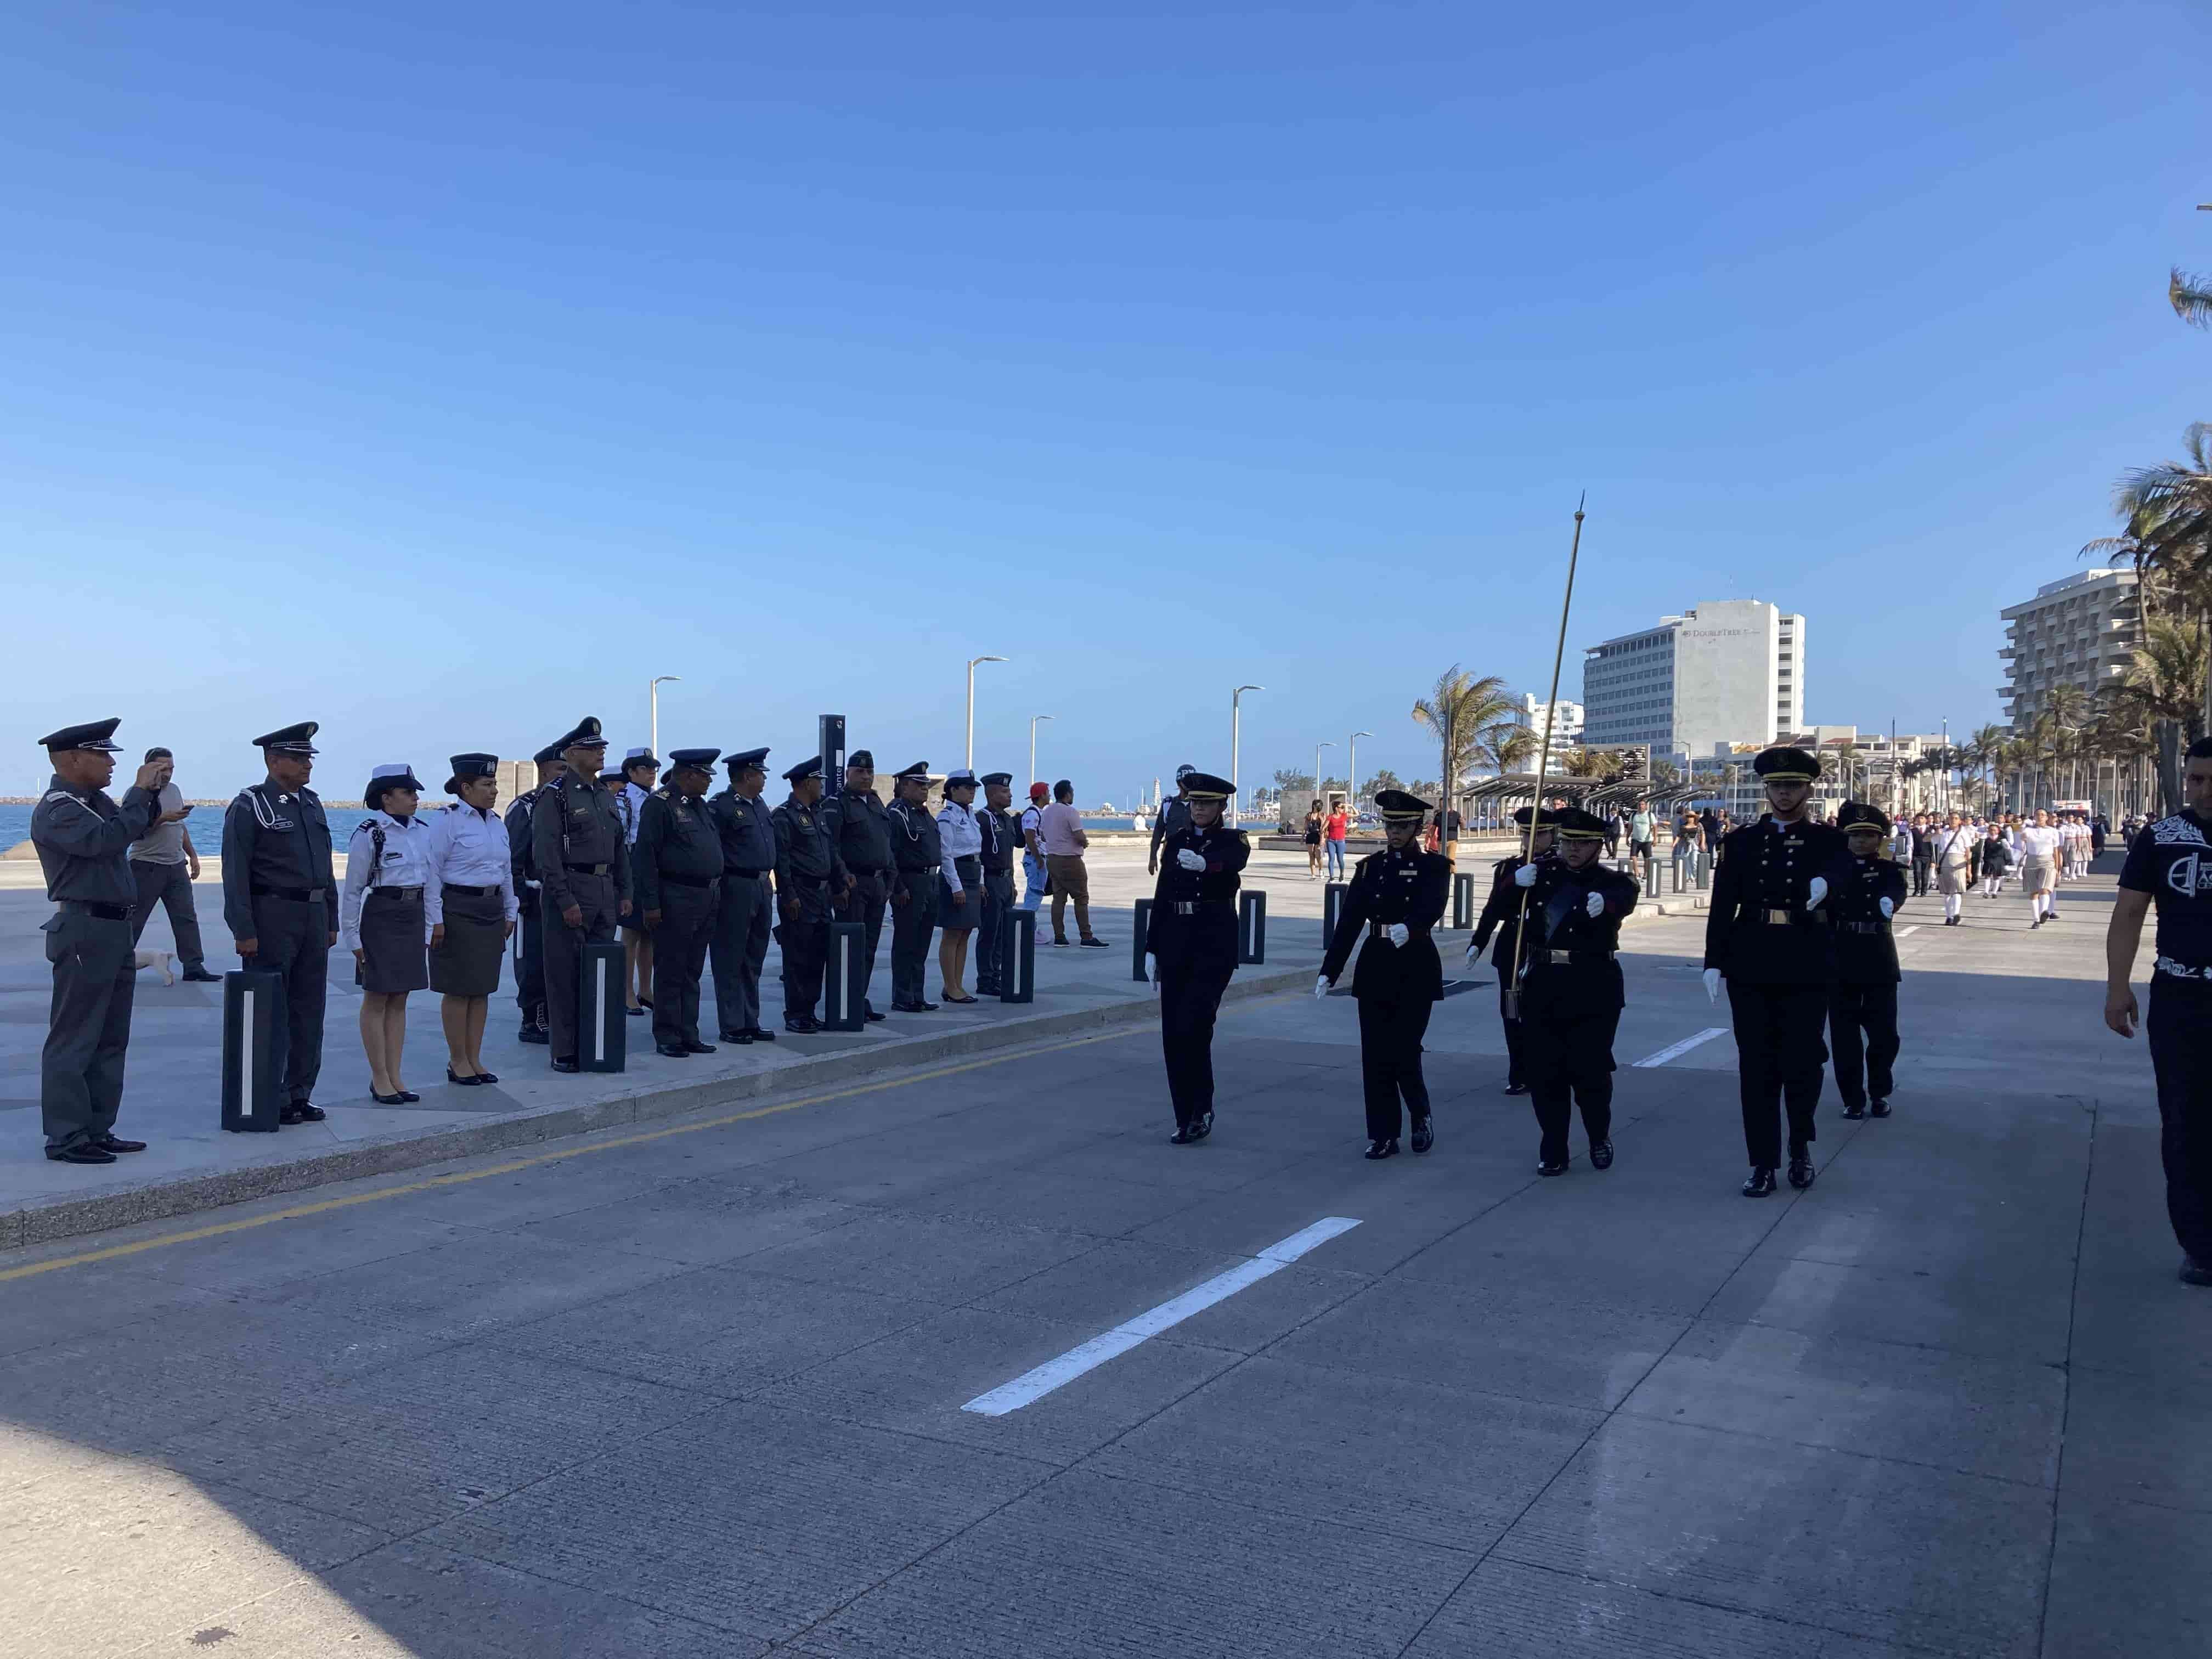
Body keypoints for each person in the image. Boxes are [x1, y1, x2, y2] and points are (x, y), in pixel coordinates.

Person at [1703, 745, 1852, 1196]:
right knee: (1757, 1066)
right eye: (1777, 786)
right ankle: (1762, 1162)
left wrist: (1829, 885)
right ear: (1766, 789)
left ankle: (1800, 1147)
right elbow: (1722, 904)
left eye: (1793, 786)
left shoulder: (1829, 841)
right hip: (1751, 958)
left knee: (1803, 1062)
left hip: (1806, 958)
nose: (1784, 794)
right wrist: (1713, 960)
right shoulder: (1741, 841)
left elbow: (1843, 879)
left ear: (1809, 789)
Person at [31, 720, 172, 1164]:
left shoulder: (94, 802)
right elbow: (105, 840)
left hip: (112, 929)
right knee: (74, 1038)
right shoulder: (60, 807)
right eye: (103, 755)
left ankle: (97, 1127)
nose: (113, 763)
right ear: (73, 759)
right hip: (84, 930)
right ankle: (67, 1136)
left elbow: (132, 830)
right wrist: (137, 794)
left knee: (111, 1037)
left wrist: (149, 794)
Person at [2105, 737, 2212, 1285]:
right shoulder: (2162, 838)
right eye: (2195, 779)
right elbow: (2129, 914)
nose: (2202, 790)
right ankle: (2200, 1243)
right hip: (2181, 997)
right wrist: (2118, 986)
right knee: (2186, 1122)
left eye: (2210, 780)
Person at [1317, 789, 1451, 1158]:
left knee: (1404, 1051)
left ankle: (1420, 1115)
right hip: (1376, 963)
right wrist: (1330, 970)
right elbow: (1348, 923)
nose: (1395, 831)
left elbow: (1434, 903)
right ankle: (1383, 1134)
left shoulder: (1434, 867)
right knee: (1375, 1055)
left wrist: (1413, 925)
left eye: (1403, 825)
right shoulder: (1370, 868)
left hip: (1415, 964)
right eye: (1390, 824)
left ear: (1418, 827)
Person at [1507, 806, 1640, 1176]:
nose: (1573, 850)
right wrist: (1513, 884)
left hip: (1593, 986)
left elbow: (1626, 898)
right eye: (1568, 842)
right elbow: (1503, 911)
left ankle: (1598, 1134)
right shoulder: (1540, 876)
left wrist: (1607, 905)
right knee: (1545, 1072)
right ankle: (1554, 1146)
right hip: (1544, 983)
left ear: (1599, 845)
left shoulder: (1613, 881)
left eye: (1583, 844)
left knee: (1591, 1073)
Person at [222, 721, 337, 1122]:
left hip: (312, 914)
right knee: (272, 1009)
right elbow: (235, 872)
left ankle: (300, 1091)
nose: (308, 765)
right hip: (273, 916)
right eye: (299, 758)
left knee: (309, 1008)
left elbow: (323, 865)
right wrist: (244, 929)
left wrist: (331, 919)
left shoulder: (311, 803)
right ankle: (269, 1092)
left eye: (308, 758)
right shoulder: (251, 805)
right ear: (273, 761)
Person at [1146, 771, 1250, 1143]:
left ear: (1222, 806)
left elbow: (1234, 864)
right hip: (1176, 941)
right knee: (1173, 1033)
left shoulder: (1232, 840)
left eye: (1207, 803)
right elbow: (1161, 897)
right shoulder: (1176, 842)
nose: (1200, 809)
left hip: (1212, 944)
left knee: (1195, 1026)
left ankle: (1202, 1108)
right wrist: (1151, 947)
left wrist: (1208, 866)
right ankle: (1184, 1115)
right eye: (1195, 803)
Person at [532, 718, 631, 1073]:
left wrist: (625, 891)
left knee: (600, 974)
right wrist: (565, 900)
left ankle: (594, 1044)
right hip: (573, 888)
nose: (601, 753)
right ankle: (565, 1049)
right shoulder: (555, 795)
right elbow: (547, 855)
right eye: (593, 748)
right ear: (574, 753)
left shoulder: (605, 794)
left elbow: (620, 848)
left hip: (604, 891)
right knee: (565, 973)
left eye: (602, 747)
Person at [340, 764, 434, 1104]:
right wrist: (353, 938)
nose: (416, 799)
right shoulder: (371, 834)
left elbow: (431, 884)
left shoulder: (423, 831)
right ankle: (379, 1077)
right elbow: (352, 891)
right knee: (378, 997)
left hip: (412, 915)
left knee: (400, 998)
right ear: (387, 798)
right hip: (381, 915)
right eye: (409, 793)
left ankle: (396, 1075)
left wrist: (431, 924)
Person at [425, 753, 517, 1086]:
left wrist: (511, 910)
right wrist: (435, 919)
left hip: (491, 910)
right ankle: (457, 1059)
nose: (495, 790)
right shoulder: (447, 822)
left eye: (494, 783)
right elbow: (432, 872)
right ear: (466, 787)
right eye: (487, 784)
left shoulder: (497, 823)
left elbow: (506, 872)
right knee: (458, 988)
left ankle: (475, 1058)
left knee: (481, 989)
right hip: (458, 908)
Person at [636, 748, 723, 1058]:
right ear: (688, 775)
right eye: (704, 776)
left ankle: (689, 1031)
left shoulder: (701, 807)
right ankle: (668, 1034)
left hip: (706, 897)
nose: (709, 782)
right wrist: (651, 904)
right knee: (671, 970)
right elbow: (645, 857)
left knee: (692, 971)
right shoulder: (659, 805)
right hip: (676, 897)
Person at [1468, 806, 1558, 1096]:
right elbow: (1493, 909)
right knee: (1511, 1012)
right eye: (1527, 834)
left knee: (1541, 1014)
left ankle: (1542, 1067)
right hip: (1512, 948)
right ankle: (1518, 1070)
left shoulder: (1560, 868)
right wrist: (1478, 943)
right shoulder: (1509, 868)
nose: (1532, 841)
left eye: (1540, 835)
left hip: (1544, 948)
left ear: (1552, 835)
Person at [1828, 803, 1908, 1121]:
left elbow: (1896, 892)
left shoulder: (1891, 871)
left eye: (1868, 835)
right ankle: (1852, 1098)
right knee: (1844, 1036)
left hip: (1878, 957)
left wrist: (1891, 902)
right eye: (1855, 835)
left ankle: (1879, 1092)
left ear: (1879, 839)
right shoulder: (1833, 871)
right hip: (1841, 956)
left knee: (1884, 1035)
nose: (1861, 841)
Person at [125, 746, 217, 983]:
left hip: (176, 865)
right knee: (135, 919)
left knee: (186, 917)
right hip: (146, 865)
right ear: (149, 768)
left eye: (171, 768)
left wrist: (193, 855)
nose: (168, 774)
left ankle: (194, 967)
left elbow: (180, 826)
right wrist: (162, 819)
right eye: (163, 768)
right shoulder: (137, 794)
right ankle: (120, 964)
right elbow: (132, 832)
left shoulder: (174, 790)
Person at [708, 747, 779, 1044]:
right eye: (760, 774)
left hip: (762, 886)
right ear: (747, 776)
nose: (764, 779)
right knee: (730, 957)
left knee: (754, 958)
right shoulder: (722, 807)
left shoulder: (760, 805)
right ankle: (732, 1024)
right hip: (735, 886)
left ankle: (750, 1019)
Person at [822, 751, 893, 1022]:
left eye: (870, 772)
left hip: (876, 884)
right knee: (849, 947)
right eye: (860, 772)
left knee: (869, 947)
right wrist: (839, 885)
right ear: (848, 774)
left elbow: (887, 843)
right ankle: (845, 1001)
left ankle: (859, 997)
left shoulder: (875, 802)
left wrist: (890, 881)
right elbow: (831, 846)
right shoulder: (837, 804)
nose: (866, 777)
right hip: (853, 885)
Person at [771, 755, 839, 1032]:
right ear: (807, 783)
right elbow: (783, 860)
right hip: (800, 892)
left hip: (822, 896)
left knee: (818, 957)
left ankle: (809, 1010)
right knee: (798, 957)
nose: (822, 786)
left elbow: (829, 852)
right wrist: (788, 895)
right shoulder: (785, 815)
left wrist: (841, 879)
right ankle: (796, 1013)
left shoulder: (818, 812)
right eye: (818, 781)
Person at [504, 744, 563, 1044]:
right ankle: (533, 1018)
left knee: (558, 960)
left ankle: (557, 1015)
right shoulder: (524, 807)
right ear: (543, 772)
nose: (564, 776)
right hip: (533, 896)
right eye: (560, 770)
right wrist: (520, 900)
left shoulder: (566, 803)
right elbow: (512, 859)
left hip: (562, 895)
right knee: (532, 962)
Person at [885, 761, 943, 1011]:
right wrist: (898, 888)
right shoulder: (897, 814)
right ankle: (902, 995)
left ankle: (916, 993)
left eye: (926, 785)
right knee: (906, 941)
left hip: (930, 881)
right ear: (905, 786)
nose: (925, 789)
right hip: (910, 881)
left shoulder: (923, 813)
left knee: (922, 942)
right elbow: (891, 855)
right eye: (919, 785)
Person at [935, 768, 985, 1003]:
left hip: (973, 874)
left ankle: (958, 984)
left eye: (974, 788)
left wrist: (981, 882)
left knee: (965, 933)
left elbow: (977, 852)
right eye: (967, 788)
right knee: (953, 933)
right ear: (953, 790)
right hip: (957, 874)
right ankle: (950, 986)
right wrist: (956, 887)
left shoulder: (971, 814)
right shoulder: (947, 817)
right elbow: (946, 855)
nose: (972, 792)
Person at [616, 748, 659, 1016]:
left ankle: (646, 989)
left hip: (651, 867)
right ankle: (626, 991)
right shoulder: (624, 799)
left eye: (653, 767)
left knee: (649, 933)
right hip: (632, 865)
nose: (651, 772)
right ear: (631, 772)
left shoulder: (656, 798)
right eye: (645, 768)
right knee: (630, 934)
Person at [1040, 779, 1107, 946]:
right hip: (1070, 860)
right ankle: (1086, 936)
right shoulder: (1070, 812)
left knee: (1059, 899)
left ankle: (1059, 937)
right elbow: (1078, 835)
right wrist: (1085, 842)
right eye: (1073, 793)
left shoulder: (1047, 812)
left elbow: (1042, 835)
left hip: (1053, 859)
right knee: (1081, 897)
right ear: (1068, 794)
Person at [974, 772, 1021, 997]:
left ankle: (996, 975)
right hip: (990, 881)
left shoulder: (1007, 819)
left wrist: (1012, 881)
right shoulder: (981, 819)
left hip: (1005, 881)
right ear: (991, 794)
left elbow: (1009, 853)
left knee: (1003, 933)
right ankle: (985, 978)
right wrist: (981, 883)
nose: (1010, 794)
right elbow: (977, 855)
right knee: (989, 932)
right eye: (1005, 791)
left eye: (1009, 790)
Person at [1147, 764, 1197, 876]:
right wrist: (1152, 857)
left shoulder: (1199, 805)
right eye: (1186, 782)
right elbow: (1158, 832)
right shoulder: (1168, 804)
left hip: (1193, 857)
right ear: (1179, 783)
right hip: (1170, 858)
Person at [2021, 808, 2065, 928]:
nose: (2040, 817)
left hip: (2048, 861)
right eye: (2038, 815)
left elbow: (2056, 851)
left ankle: (2043, 913)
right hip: (2032, 860)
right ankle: (2036, 920)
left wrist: (2057, 869)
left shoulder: (2053, 832)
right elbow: (2023, 838)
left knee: (2045, 889)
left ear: (2047, 818)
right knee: (2034, 892)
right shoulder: (2028, 830)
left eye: (2043, 815)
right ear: (2034, 817)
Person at [1931, 811, 1974, 925]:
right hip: (1944, 861)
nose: (1953, 821)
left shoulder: (1963, 833)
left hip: (1958, 861)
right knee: (1946, 891)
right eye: (1951, 819)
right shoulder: (1943, 832)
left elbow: (1968, 852)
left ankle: (1955, 914)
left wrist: (1969, 870)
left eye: (1956, 819)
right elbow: (1927, 840)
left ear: (1960, 821)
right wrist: (1935, 833)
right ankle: (1949, 916)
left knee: (1957, 890)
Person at [1019, 782, 1051, 913]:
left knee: (1035, 896)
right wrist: (1038, 860)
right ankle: (1029, 930)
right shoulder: (1033, 814)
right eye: (1048, 793)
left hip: (1039, 858)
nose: (1050, 796)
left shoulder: (1039, 812)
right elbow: (1030, 837)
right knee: (1034, 896)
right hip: (1035, 859)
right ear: (1042, 795)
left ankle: (1032, 928)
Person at [1978, 822, 2012, 897]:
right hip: (1988, 859)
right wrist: (1981, 857)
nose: (1993, 832)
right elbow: (1982, 850)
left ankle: (1994, 892)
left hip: (1998, 859)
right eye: (1991, 830)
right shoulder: (1986, 840)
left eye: (1995, 830)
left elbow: (2008, 848)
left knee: (1996, 876)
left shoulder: (2002, 839)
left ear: (1998, 831)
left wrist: (2005, 842)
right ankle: (1986, 892)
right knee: (1987, 875)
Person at [1323, 799, 1351, 881]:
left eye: (1343, 807)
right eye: (1341, 807)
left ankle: (1342, 874)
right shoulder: (1330, 817)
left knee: (1340, 859)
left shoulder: (1344, 816)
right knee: (1332, 858)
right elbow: (1323, 827)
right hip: (1331, 841)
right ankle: (1332, 877)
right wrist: (1324, 832)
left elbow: (1357, 814)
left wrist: (1351, 806)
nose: (1343, 808)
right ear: (1336, 808)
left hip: (1341, 841)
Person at [1910, 813, 1936, 898]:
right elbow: (1910, 845)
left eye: (1922, 818)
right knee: (1917, 873)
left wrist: (1933, 860)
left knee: (1925, 874)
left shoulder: (1930, 831)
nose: (1920, 820)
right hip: (1916, 856)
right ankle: (1917, 890)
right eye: (1918, 818)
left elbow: (1932, 846)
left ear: (1926, 820)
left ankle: (1923, 892)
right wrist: (1909, 857)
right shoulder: (1913, 831)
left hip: (1927, 856)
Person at [1303, 801, 1324, 876]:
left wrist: (1322, 839)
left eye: (1320, 805)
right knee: (1311, 855)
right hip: (1310, 836)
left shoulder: (1322, 815)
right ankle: (1313, 874)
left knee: (1318, 856)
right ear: (1314, 806)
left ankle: (1321, 869)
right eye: (1318, 805)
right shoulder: (1309, 815)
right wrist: (1303, 837)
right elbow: (1305, 827)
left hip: (1319, 836)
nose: (1319, 807)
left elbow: (1324, 828)